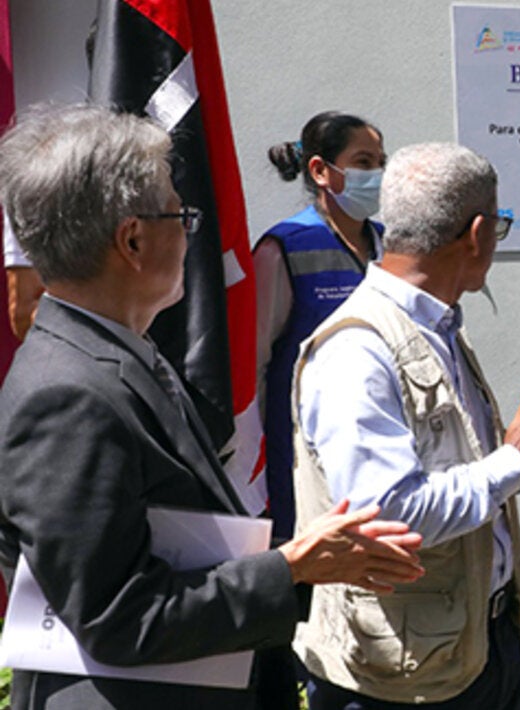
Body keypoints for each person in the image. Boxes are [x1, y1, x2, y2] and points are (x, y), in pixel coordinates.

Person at [0, 103, 426, 710]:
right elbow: (117, 617)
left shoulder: (116, 352)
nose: (191, 233)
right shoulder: (68, 393)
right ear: (132, 238)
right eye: (182, 213)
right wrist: (292, 568)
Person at [292, 142, 520, 709]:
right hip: (399, 680)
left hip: (473, 644)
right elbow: (391, 515)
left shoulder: (438, 326)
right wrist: (516, 460)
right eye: (499, 227)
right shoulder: (358, 351)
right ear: (477, 233)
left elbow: (455, 472)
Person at [255, 110, 387, 542]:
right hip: (301, 451)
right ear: (320, 170)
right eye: (364, 162)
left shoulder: (393, 244)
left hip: (380, 443)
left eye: (381, 162)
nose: (378, 174)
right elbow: (253, 364)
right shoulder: (285, 248)